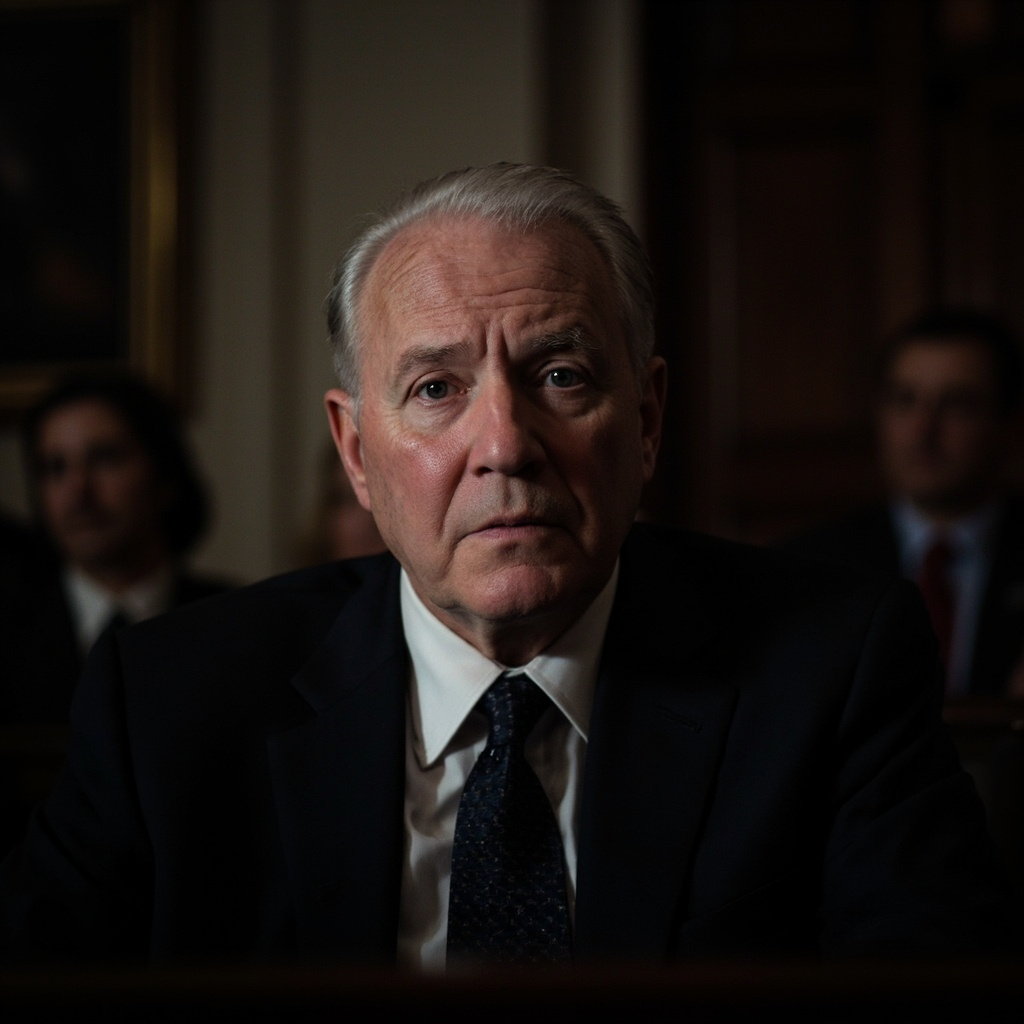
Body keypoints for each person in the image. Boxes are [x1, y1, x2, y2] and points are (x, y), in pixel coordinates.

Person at [1, 164, 1016, 970]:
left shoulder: (832, 670)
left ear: (648, 419)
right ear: (356, 451)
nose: (505, 443)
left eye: (560, 375)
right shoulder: (170, 702)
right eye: (437, 386)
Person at [0, 372, 233, 851]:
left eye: (104, 459)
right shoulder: (7, 633)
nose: (78, 491)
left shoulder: (237, 622)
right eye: (54, 468)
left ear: (164, 475)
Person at [786, 308, 1024, 697]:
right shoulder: (811, 566)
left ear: (1009, 421)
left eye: (957, 404)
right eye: (904, 400)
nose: (922, 431)